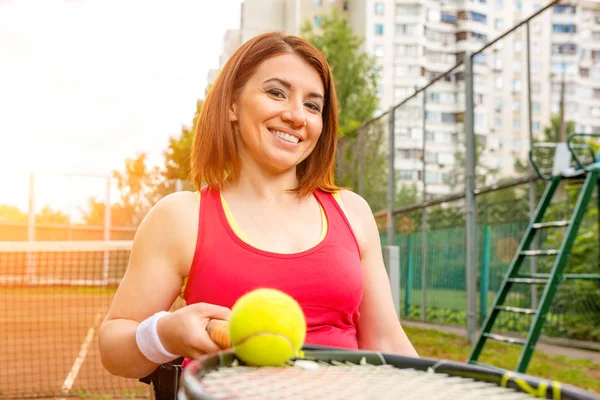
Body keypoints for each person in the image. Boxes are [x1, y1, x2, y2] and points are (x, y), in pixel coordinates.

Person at [98, 31, 418, 380]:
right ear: (233, 104)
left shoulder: (352, 211)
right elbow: (115, 349)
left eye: (313, 105)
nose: (297, 115)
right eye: (276, 92)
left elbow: (385, 338)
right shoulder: (180, 216)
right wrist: (165, 333)